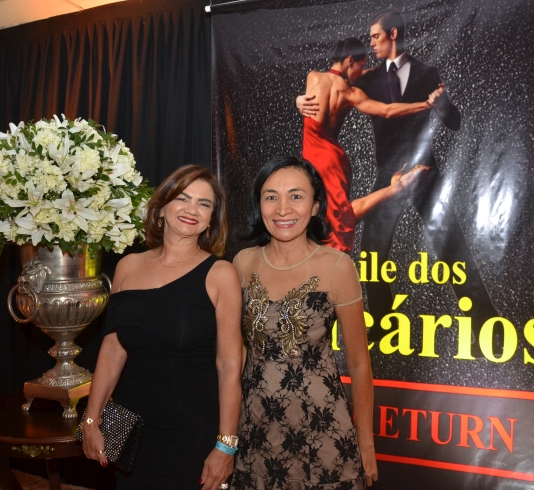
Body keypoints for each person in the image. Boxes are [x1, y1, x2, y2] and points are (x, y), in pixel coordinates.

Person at [300, 10, 499, 354]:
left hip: (425, 171)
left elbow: (453, 121)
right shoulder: (365, 78)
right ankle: (382, 323)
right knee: (372, 253)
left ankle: (486, 323)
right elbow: (338, 89)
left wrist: (440, 105)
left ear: (392, 34)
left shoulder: (427, 73)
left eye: (375, 36)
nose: (371, 43)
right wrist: (299, 101)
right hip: (387, 176)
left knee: (451, 245)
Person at [81, 165, 243, 490]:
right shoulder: (127, 267)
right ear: (161, 208)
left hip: (190, 431)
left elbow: (229, 365)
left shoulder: (220, 274)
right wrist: (91, 419)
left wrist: (226, 445)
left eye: (204, 204)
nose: (192, 209)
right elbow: (112, 351)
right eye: (182, 198)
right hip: (130, 428)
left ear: (211, 220)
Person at [231, 156, 378, 489]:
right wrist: (226, 432)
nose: (283, 209)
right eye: (271, 197)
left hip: (323, 432)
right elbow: (235, 355)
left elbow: (359, 363)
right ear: (259, 205)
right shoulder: (242, 263)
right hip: (255, 431)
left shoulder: (337, 266)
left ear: (315, 206)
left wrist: (366, 442)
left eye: (296, 196)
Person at [299, 36, 442, 253]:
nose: (360, 73)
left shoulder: (313, 77)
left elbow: (309, 100)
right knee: (339, 216)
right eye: (360, 66)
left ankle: (396, 188)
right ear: (349, 60)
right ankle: (396, 188)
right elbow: (387, 111)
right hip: (333, 160)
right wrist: (426, 105)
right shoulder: (350, 93)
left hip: (313, 158)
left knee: (330, 218)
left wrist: (297, 101)